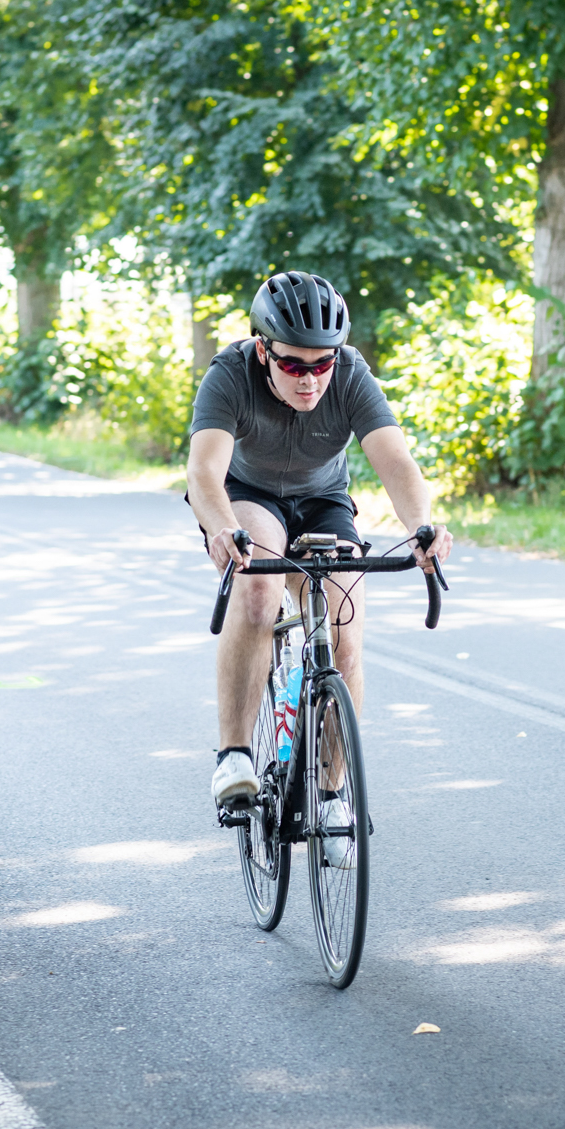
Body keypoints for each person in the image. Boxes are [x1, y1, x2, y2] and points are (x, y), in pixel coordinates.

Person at [187, 270, 453, 826]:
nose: (309, 380)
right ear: (264, 351)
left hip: (323, 500)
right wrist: (221, 528)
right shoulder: (229, 374)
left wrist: (422, 526)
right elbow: (204, 471)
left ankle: (331, 795)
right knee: (258, 594)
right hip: (249, 497)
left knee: (344, 633)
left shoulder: (351, 373)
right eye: (292, 365)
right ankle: (234, 756)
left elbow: (396, 461)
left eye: (321, 364)